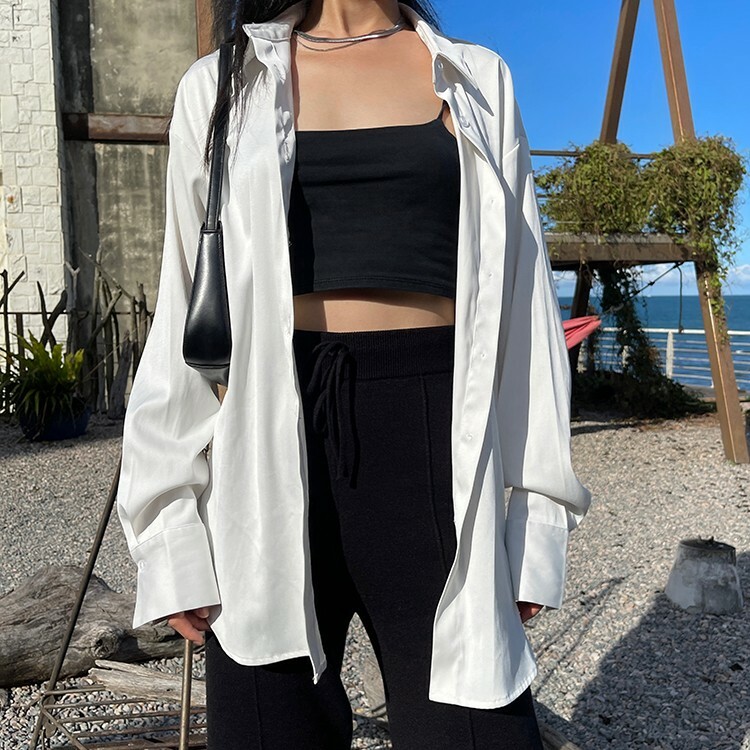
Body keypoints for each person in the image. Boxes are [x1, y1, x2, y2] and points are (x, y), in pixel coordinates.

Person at [115, 0, 592, 747]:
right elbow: (183, 309)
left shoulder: (476, 78)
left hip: (436, 443)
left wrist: (536, 519)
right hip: (264, 445)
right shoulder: (222, 85)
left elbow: (527, 307)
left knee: (477, 732)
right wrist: (168, 528)